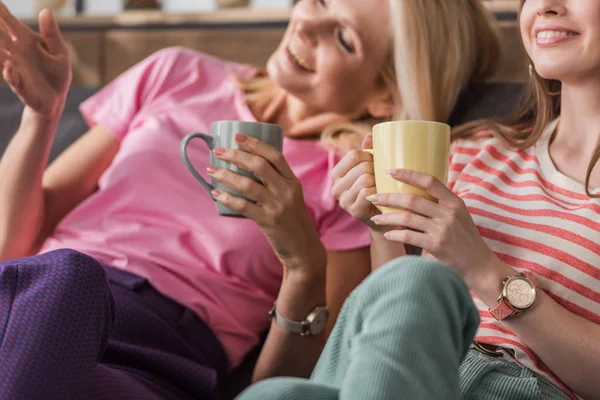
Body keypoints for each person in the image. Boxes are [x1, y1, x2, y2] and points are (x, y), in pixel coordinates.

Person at [0, 0, 500, 399]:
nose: (307, 27)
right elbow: (12, 245)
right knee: (70, 278)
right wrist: (42, 117)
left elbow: (282, 386)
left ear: (384, 97)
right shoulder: (176, 72)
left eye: (344, 38)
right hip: (34, 306)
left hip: (155, 360)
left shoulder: (349, 180)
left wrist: (303, 261)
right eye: (320, 2)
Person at [239, 0, 600, 399]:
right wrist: (381, 230)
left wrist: (484, 270)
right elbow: (400, 306)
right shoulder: (473, 149)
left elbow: (423, 285)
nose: (546, 6)